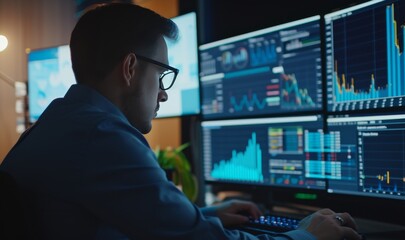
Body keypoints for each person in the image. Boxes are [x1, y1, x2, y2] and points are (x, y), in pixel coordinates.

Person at [0, 3, 363, 240]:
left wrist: (202, 214)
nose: (164, 93)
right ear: (130, 68)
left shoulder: (56, 124)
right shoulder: (103, 136)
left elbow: (113, 219)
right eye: (163, 74)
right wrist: (310, 236)